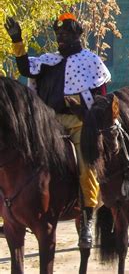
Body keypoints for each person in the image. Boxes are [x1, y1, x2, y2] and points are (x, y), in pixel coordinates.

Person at [4, 13, 111, 247]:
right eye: (58, 34)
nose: (60, 38)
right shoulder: (48, 60)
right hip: (47, 124)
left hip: (79, 123)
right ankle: (11, 213)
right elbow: (25, 69)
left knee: (86, 166)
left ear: (77, 34)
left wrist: (87, 113)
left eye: (65, 33)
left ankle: (86, 221)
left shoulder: (91, 61)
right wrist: (17, 39)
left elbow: (102, 98)